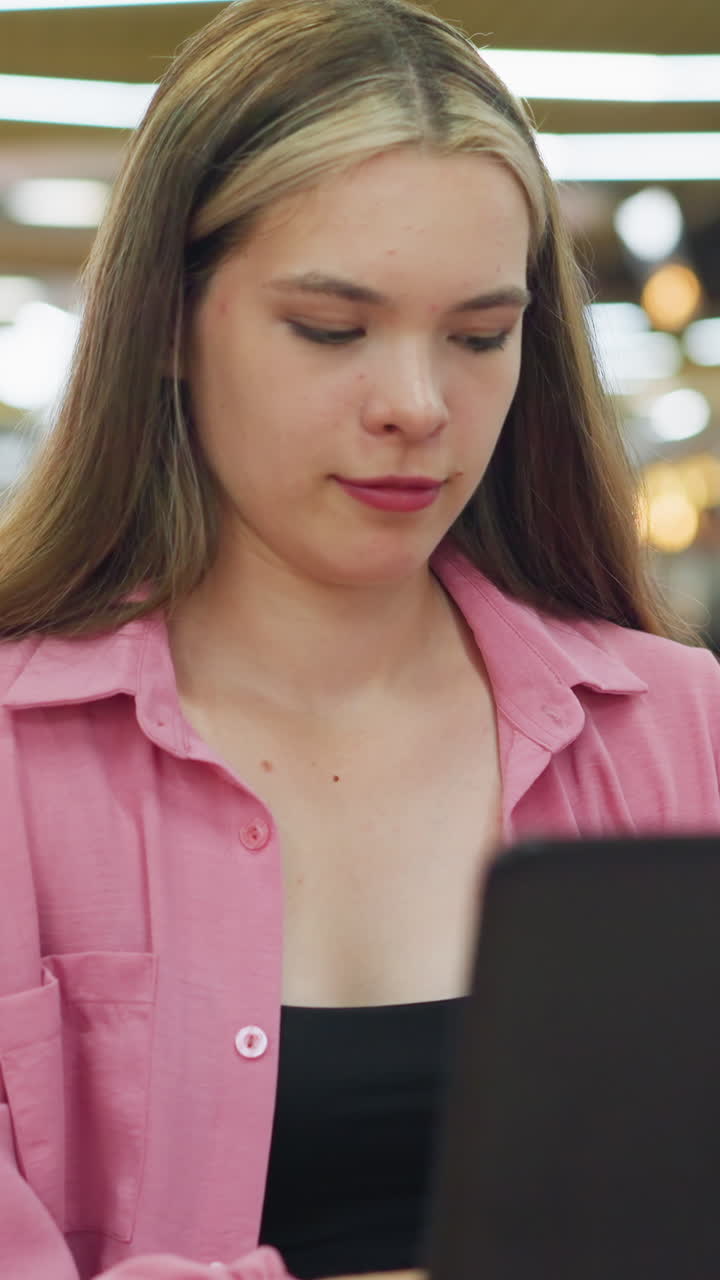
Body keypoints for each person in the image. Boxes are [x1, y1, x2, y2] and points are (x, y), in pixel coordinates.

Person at [1, 0, 719, 1277]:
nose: (417, 405)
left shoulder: (679, 729)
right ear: (169, 321)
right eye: (331, 329)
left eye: (480, 337)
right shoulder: (16, 757)